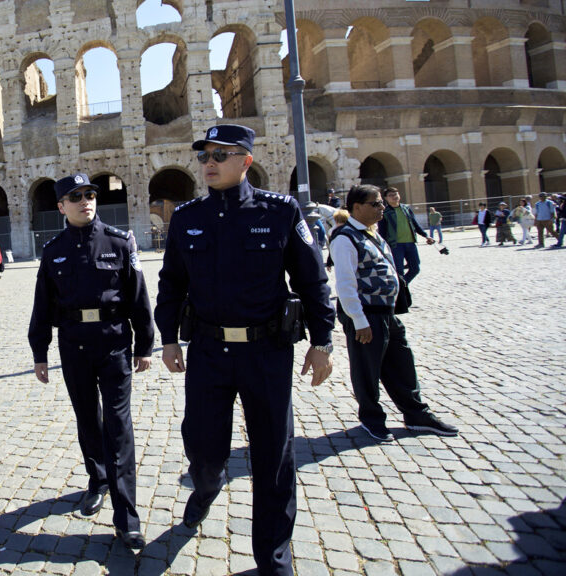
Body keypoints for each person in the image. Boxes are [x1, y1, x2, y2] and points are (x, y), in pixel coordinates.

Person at [155, 124, 335, 576]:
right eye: (204, 155)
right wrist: (169, 338)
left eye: (221, 154)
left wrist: (323, 341)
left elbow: (312, 280)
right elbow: (171, 283)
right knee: (202, 444)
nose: (209, 162)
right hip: (209, 352)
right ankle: (207, 484)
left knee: (273, 455)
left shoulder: (280, 211)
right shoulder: (187, 217)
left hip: (267, 351)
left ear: (246, 161)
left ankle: (273, 557)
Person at [28, 173, 154, 551]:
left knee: (118, 426)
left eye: (89, 194)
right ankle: (97, 479)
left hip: (114, 344)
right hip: (74, 346)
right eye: (75, 197)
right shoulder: (53, 251)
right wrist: (40, 352)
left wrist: (145, 345)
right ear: (61, 206)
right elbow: (42, 305)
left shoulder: (119, 241)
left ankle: (127, 517)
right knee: (87, 418)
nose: (85, 200)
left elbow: (138, 296)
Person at [330, 185, 459, 442]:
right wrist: (359, 321)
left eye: (381, 203)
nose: (382, 208)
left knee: (402, 364)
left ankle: (416, 414)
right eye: (375, 204)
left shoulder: (373, 234)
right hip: (366, 315)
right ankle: (372, 419)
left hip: (387, 314)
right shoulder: (345, 238)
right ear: (356, 207)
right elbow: (345, 284)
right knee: (367, 370)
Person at [377, 187, 435, 283]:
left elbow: (415, 224)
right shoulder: (385, 213)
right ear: (386, 198)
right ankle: (401, 291)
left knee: (415, 268)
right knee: (399, 271)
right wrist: (383, 246)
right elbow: (382, 231)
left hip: (411, 243)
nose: (394, 197)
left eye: (395, 194)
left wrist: (426, 236)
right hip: (395, 245)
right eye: (391, 195)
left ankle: (403, 287)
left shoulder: (406, 208)